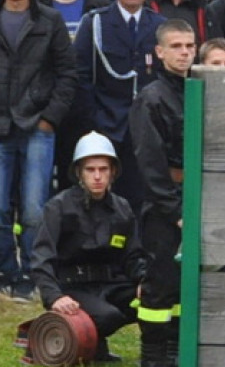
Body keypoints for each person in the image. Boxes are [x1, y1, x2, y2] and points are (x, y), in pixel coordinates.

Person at [0, 0, 78, 302]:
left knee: (34, 208)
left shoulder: (50, 20)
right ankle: (6, 272)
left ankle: (33, 273)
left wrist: (49, 120)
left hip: (36, 128)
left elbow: (67, 74)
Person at [30, 132, 147, 364]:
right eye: (90, 169)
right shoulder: (59, 207)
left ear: (113, 171)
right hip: (73, 288)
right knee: (109, 317)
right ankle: (79, 341)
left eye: (103, 169)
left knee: (155, 297)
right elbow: (41, 257)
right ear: (78, 173)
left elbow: (133, 255)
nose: (97, 176)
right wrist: (55, 297)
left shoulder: (122, 208)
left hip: (110, 284)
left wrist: (144, 281)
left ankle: (155, 355)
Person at [73, 0, 165, 210]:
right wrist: (94, 119)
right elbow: (81, 76)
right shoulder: (96, 22)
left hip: (146, 127)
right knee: (101, 199)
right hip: (107, 125)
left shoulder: (160, 27)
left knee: (141, 199)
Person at [130, 19, 196, 367]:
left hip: (197, 197)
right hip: (166, 204)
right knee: (161, 281)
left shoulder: (198, 89)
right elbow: (150, 163)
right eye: (176, 46)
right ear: (159, 52)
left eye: (189, 46)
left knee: (188, 284)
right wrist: (174, 210)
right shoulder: (152, 98)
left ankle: (177, 349)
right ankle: (153, 355)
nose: (184, 53)